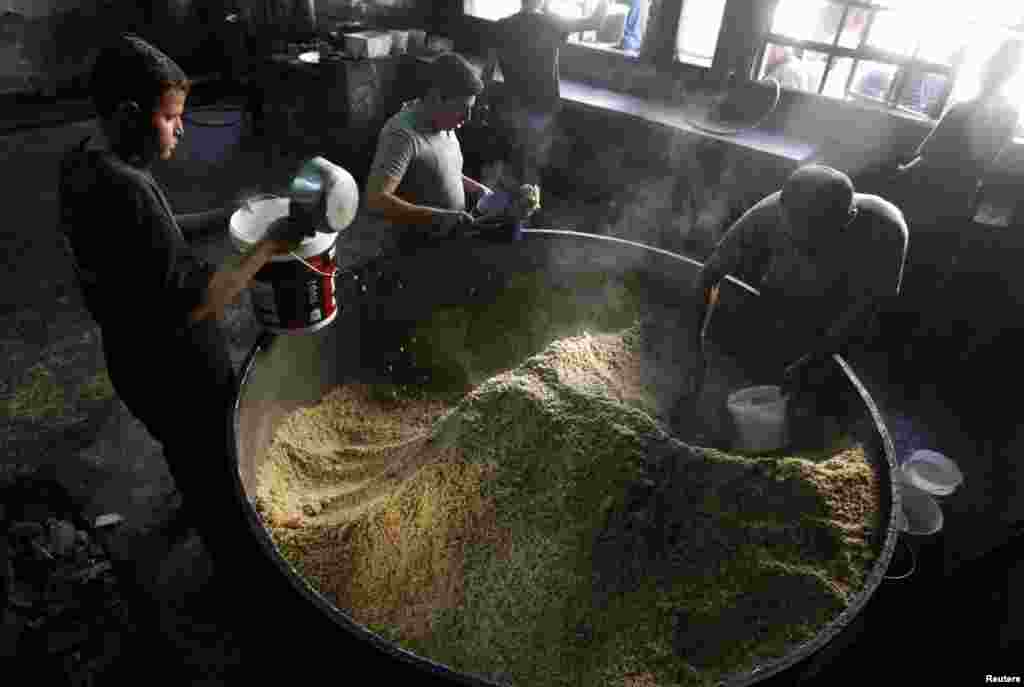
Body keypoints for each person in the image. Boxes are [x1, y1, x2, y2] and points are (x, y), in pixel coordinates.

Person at [57, 35, 309, 627]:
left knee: (189, 460)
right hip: (178, 369)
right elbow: (200, 301)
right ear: (128, 114)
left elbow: (154, 233)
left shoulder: (87, 159)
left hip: (130, 356)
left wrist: (229, 220)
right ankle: (245, 590)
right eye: (170, 118)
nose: (180, 131)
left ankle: (205, 512)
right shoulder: (129, 187)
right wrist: (267, 244)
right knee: (218, 473)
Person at [691, 165, 908, 424]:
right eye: (794, 233)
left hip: (843, 313)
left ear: (848, 220)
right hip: (787, 302)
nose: (804, 243)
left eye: (814, 239)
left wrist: (817, 358)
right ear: (782, 207)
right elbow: (710, 274)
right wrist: (694, 343)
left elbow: (864, 312)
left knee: (830, 396)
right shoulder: (767, 213)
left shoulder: (885, 229)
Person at [365, 51, 493, 253]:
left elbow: (439, 170)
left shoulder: (446, 124)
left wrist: (476, 189)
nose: (467, 117)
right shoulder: (402, 135)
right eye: (462, 107)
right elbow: (375, 200)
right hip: (411, 250)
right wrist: (439, 217)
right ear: (435, 96)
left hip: (444, 242)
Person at [482, 0, 609, 192]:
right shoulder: (552, 23)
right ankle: (525, 211)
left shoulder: (501, 25)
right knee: (531, 167)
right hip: (542, 109)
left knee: (508, 164)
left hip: (512, 108)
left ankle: (496, 212)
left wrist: (480, 103)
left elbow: (488, 71)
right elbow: (596, 22)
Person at [895, 38, 1024, 224]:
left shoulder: (963, 109)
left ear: (987, 73)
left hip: (931, 188)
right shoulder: (1010, 114)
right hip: (964, 194)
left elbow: (927, 157)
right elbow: (985, 161)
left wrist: (900, 173)